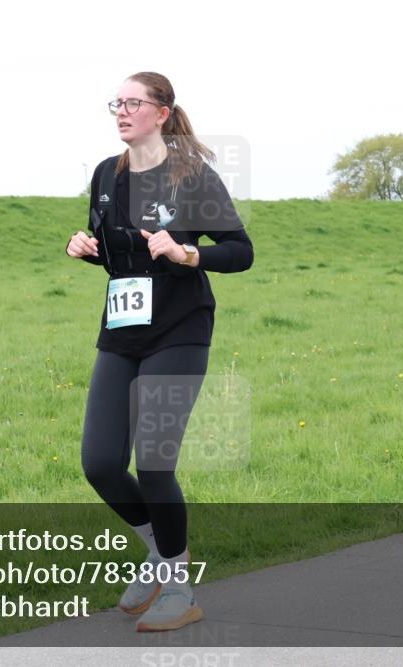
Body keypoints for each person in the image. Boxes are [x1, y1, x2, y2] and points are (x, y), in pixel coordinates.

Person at [67, 71, 254, 632]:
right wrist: (87, 248)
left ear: (162, 114)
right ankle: (159, 550)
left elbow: (240, 251)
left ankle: (178, 587)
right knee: (101, 464)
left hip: (180, 328)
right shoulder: (107, 174)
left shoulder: (191, 176)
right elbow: (118, 253)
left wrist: (187, 254)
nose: (122, 112)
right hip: (122, 331)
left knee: (152, 462)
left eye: (133, 103)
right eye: (117, 104)